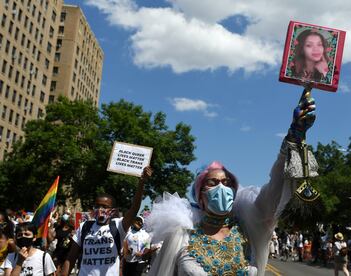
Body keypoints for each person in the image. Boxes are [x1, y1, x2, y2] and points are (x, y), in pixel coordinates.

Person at [145, 89, 317, 275]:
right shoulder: (182, 235)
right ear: (200, 195)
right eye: (212, 183)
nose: (221, 187)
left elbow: (274, 191)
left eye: (227, 183)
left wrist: (294, 135)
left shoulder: (248, 227)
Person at [62, 167, 153, 276]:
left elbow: (134, 209)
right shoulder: (84, 226)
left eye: (105, 207)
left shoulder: (118, 225)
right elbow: (71, 257)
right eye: (97, 206)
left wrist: (141, 183)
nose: (100, 209)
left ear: (113, 210)